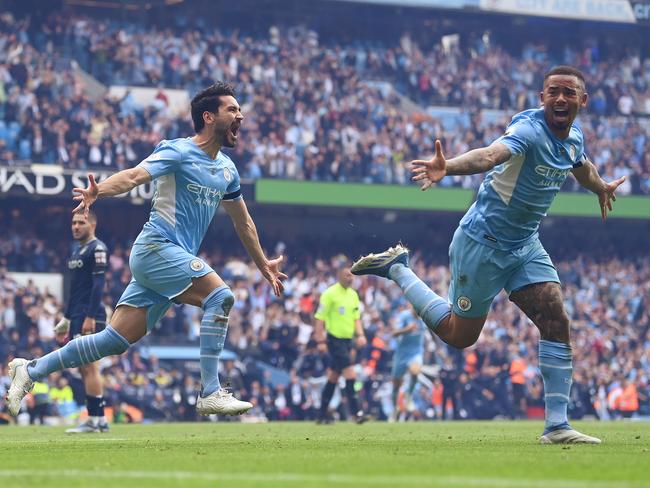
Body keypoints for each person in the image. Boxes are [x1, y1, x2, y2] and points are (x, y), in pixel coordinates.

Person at [351, 66, 625, 444]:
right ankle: (398, 270)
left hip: (525, 244)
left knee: (556, 317)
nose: (561, 99)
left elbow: (582, 168)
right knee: (459, 336)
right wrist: (449, 167)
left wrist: (600, 187)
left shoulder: (574, 137)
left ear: (583, 100)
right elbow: (489, 155)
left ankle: (557, 426)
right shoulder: (528, 131)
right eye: (553, 92)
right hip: (482, 244)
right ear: (542, 97)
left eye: (569, 93)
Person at [6, 82, 287, 417]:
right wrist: (100, 192)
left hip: (171, 262)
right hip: (156, 248)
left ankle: (30, 370)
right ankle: (210, 391)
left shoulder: (227, 169)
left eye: (240, 109)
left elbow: (244, 223)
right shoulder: (178, 151)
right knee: (220, 296)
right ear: (209, 117)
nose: (240, 115)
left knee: (113, 341)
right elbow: (136, 175)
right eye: (233, 109)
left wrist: (263, 264)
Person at [53, 211, 111, 433]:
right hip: (76, 315)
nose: (76, 226)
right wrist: (66, 318)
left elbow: (99, 286)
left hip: (90, 315)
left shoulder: (98, 249)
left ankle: (96, 419)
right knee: (84, 369)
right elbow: (75, 290)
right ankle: (98, 419)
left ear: (93, 225)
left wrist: (91, 316)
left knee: (90, 366)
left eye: (81, 222)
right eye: (74, 223)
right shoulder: (77, 250)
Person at [314, 266, 367, 424]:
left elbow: (356, 318)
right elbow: (319, 318)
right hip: (334, 339)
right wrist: (320, 340)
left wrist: (361, 335)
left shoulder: (353, 295)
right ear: (339, 276)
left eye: (352, 275)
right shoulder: (330, 294)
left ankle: (321, 415)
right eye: (346, 275)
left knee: (333, 377)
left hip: (347, 341)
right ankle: (357, 413)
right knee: (350, 373)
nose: (350, 278)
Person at [389, 303, 426, 422]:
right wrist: (407, 329)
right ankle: (395, 409)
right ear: (412, 306)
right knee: (396, 385)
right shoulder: (404, 316)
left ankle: (408, 396)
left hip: (416, 353)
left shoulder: (425, 318)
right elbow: (394, 333)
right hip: (401, 354)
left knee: (415, 371)